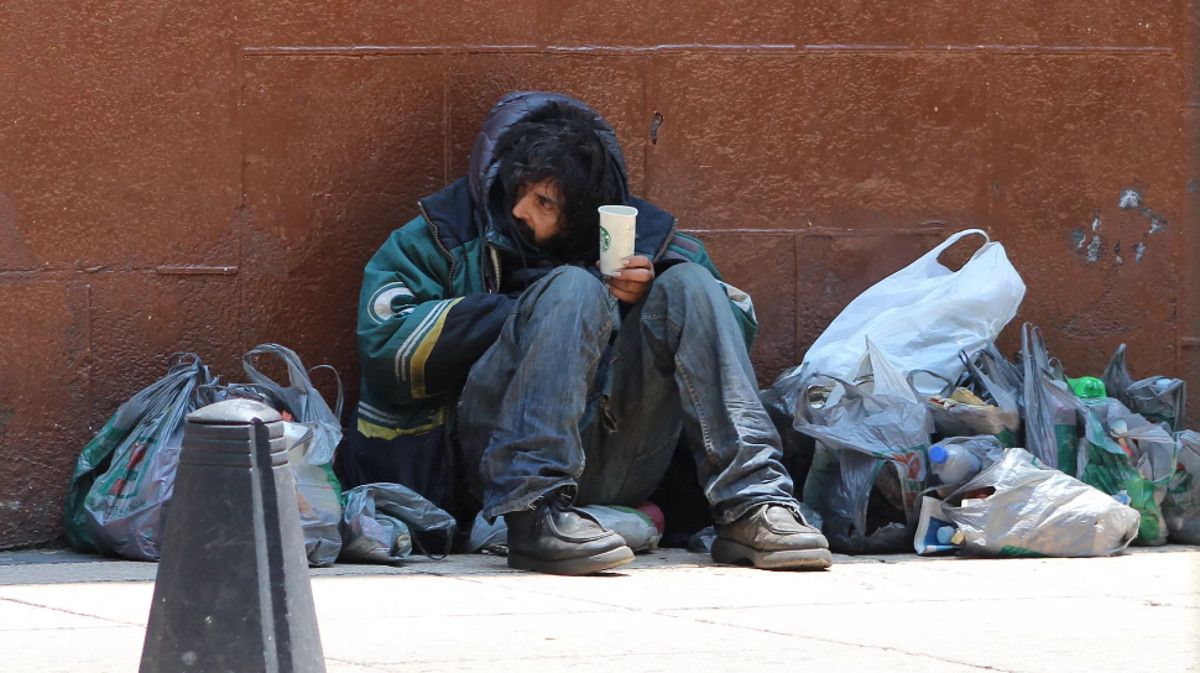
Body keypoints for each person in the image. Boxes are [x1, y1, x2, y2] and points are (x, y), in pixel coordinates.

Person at [342, 91, 831, 575]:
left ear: (581, 212)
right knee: (573, 288)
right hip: (491, 466)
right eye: (518, 188)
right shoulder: (442, 235)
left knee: (688, 283)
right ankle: (536, 516)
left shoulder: (652, 240)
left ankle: (753, 505)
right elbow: (387, 348)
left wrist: (650, 293)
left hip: (622, 454)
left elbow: (731, 343)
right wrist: (524, 312)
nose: (518, 210)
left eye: (542, 202)